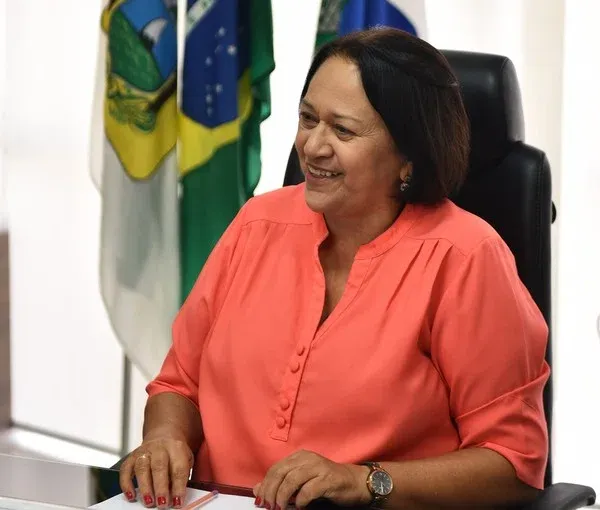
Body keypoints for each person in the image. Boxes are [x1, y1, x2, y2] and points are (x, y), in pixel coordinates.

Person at [119, 28, 550, 510]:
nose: (312, 146)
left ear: (408, 159)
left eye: (343, 130)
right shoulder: (257, 223)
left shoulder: (465, 257)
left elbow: (513, 464)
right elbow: (180, 384)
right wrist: (165, 436)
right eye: (308, 119)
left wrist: (365, 481)